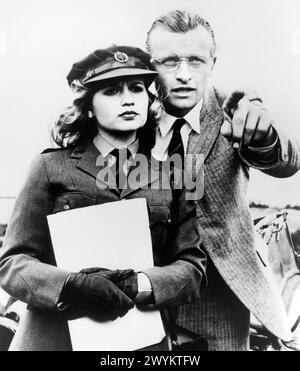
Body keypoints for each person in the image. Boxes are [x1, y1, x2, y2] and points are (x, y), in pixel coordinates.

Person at [0, 45, 207, 351]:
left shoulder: (178, 173)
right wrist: (72, 286)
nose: (127, 99)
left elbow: (193, 268)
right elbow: (13, 263)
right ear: (89, 106)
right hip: (55, 338)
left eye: (137, 88)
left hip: (141, 340)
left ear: (148, 99)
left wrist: (140, 284)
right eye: (111, 91)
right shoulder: (49, 166)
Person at [146, 10, 300, 351]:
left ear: (213, 63)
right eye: (169, 61)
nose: (183, 74)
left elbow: (288, 160)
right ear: (150, 65)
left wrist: (263, 139)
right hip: (144, 301)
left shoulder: (236, 111)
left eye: (196, 61)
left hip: (219, 301)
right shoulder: (132, 117)